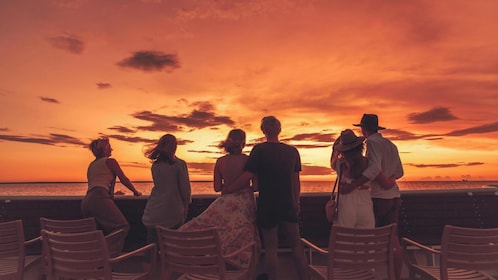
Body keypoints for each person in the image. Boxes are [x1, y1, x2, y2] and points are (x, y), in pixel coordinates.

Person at [225, 116, 308, 280]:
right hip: (287, 204)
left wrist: (229, 188)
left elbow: (248, 174)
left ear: (263, 131)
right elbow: (295, 181)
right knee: (296, 246)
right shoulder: (292, 152)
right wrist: (296, 201)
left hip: (268, 204)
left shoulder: (259, 150)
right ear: (279, 130)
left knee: (271, 247)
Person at [179, 129, 259, 268]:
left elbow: (216, 187)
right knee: (243, 232)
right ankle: (241, 264)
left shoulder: (220, 161)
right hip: (245, 202)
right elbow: (256, 186)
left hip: (225, 201)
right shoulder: (249, 161)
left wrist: (228, 186)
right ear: (244, 143)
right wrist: (243, 188)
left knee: (215, 228)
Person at [341, 113, 404, 279]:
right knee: (393, 241)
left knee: (368, 241)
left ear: (363, 129)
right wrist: (390, 182)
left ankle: (367, 275)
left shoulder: (371, 142)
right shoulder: (390, 145)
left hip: (379, 198)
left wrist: (354, 184)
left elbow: (373, 168)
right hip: (394, 197)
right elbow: (400, 172)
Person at [81, 136, 142, 255]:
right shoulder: (110, 161)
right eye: (109, 147)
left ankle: (96, 257)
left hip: (87, 201)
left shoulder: (92, 165)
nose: (112, 150)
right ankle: (103, 255)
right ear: (104, 150)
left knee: (97, 232)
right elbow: (123, 179)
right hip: (99, 198)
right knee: (122, 226)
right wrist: (135, 191)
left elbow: (97, 184)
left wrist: (112, 195)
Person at [141, 134, 191, 246]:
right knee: (173, 248)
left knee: (150, 250)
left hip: (154, 211)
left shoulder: (155, 165)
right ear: (174, 146)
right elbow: (185, 191)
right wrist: (185, 211)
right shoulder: (179, 164)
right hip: (172, 213)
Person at [330, 129, 375, 228]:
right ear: (360, 147)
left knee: (344, 238)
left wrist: (335, 148)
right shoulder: (368, 163)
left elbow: (332, 161)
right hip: (365, 205)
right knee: (365, 239)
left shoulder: (340, 164)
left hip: (345, 206)